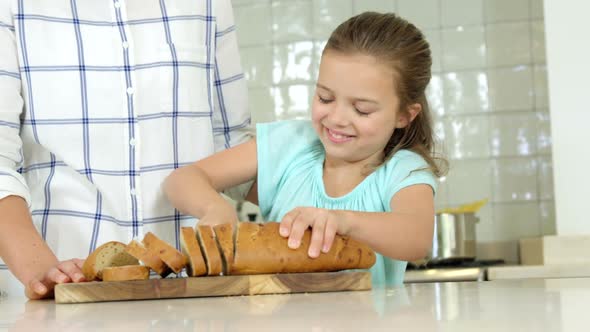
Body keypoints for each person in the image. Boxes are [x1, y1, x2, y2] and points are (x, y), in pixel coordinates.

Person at [164, 11, 447, 286]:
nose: (336, 119)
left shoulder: (403, 169)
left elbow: (417, 238)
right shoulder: (291, 145)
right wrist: (216, 208)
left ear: (404, 115)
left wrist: (342, 221)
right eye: (325, 98)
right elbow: (184, 178)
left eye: (361, 110)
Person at [0, 0, 251, 299]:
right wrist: (44, 273)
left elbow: (233, 142)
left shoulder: (209, 4)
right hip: (58, 289)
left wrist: (315, 183)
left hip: (187, 293)